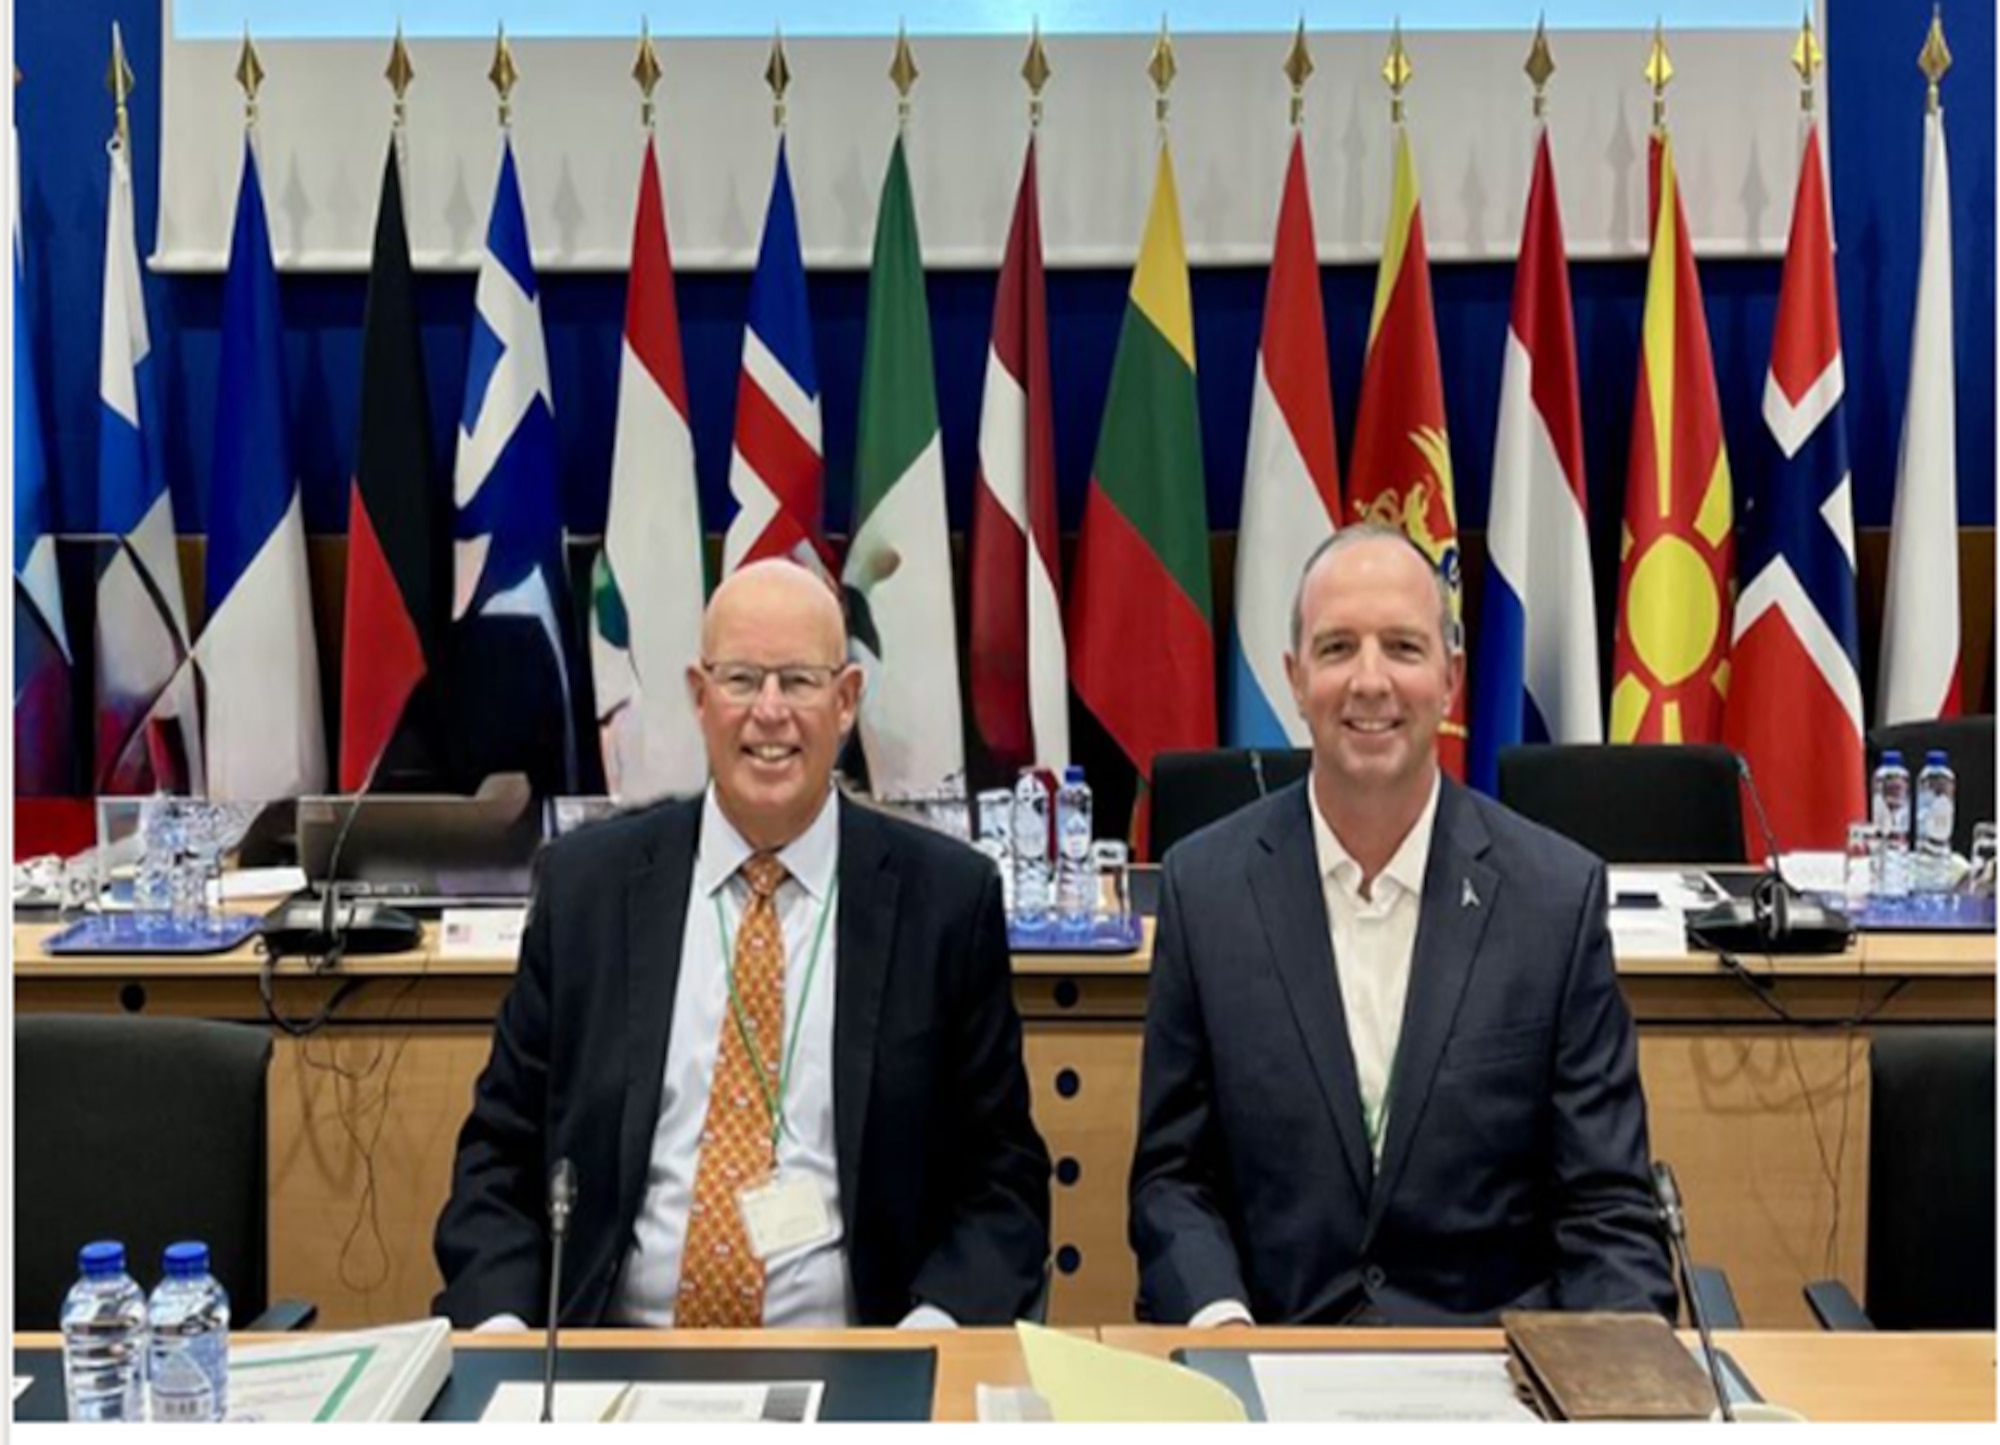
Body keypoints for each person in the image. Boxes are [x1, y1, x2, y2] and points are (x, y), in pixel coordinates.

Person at [435, 560, 1050, 1329]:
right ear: (699, 696)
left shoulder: (946, 903)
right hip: (614, 1365)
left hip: (861, 1368)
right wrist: (505, 1339)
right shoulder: (587, 890)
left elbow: (1004, 1184)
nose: (769, 712)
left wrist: (930, 1338)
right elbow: (498, 1155)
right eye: (741, 680)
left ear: (847, 700)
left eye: (798, 680)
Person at [1129, 525, 1675, 1326]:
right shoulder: (1203, 889)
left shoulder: (1555, 899)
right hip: (1273, 1366)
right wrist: (1222, 1327)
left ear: (1451, 678)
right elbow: (1172, 1180)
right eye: (1339, 646)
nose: (1371, 681)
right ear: (1294, 677)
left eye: (1404, 648)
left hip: (1495, 1379)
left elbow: (1606, 1208)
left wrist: (1613, 1386)